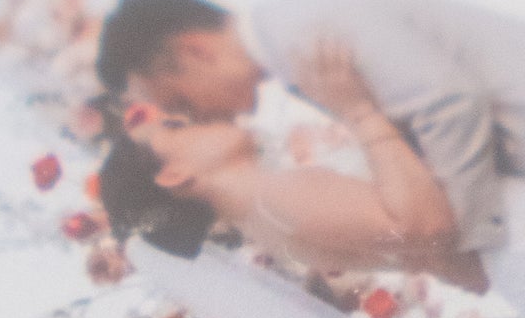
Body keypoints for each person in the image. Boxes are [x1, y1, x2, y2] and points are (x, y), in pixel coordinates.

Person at [94, 0, 525, 249]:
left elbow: (450, 103)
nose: (199, 116)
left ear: (195, 51)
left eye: (180, 102)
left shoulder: (303, 32)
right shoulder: (295, 49)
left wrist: (467, 231)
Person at [96, 38, 486, 286]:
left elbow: (437, 257)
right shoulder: (273, 203)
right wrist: (359, 110)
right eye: (175, 126)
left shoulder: (265, 206)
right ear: (174, 173)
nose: (195, 118)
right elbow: (429, 232)